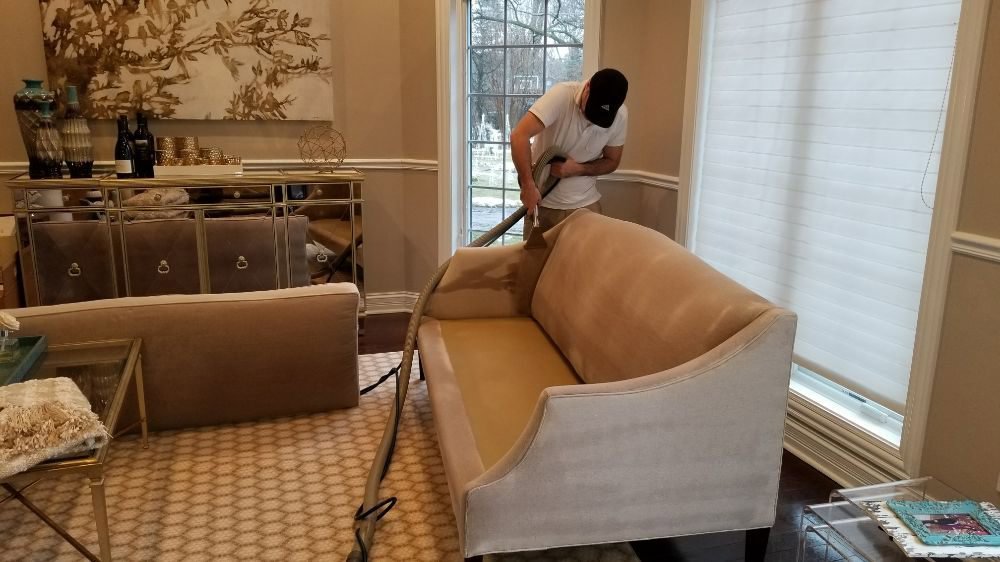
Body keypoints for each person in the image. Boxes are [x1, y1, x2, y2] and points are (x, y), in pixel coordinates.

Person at [510, 68, 629, 239]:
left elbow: (612, 161)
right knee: (535, 257)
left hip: (586, 207)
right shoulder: (561, 96)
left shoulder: (621, 116)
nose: (592, 120)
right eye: (592, 110)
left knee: (588, 257)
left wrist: (578, 169)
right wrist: (528, 185)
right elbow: (519, 136)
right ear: (587, 88)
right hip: (543, 205)